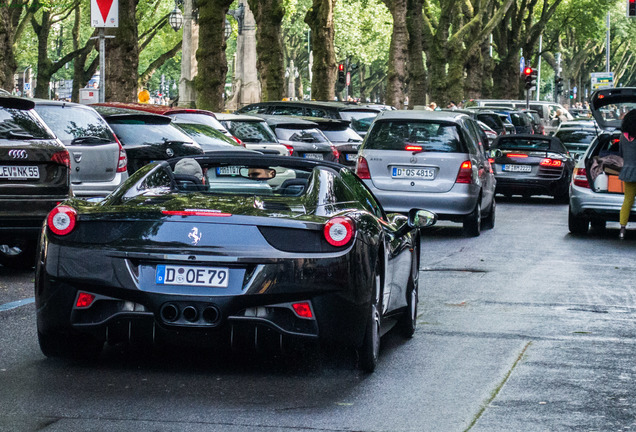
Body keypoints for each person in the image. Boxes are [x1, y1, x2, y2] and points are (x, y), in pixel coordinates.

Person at [618, 110, 636, 239]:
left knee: (627, 201)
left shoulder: (622, 137)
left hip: (628, 171)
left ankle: (622, 229)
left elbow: (621, 153)